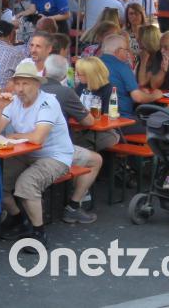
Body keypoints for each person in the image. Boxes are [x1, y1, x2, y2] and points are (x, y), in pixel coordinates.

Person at [0, 60, 74, 251]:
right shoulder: (13, 102)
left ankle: (39, 233)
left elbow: (37, 139)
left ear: (37, 84)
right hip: (25, 154)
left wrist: (17, 136)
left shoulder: (48, 102)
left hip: (54, 156)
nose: (20, 89)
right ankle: (18, 218)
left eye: (25, 83)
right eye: (17, 83)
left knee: (26, 184)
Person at [38, 55, 102, 224]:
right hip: (52, 149)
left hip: (30, 145)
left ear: (44, 71)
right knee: (96, 160)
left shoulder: (33, 87)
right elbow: (89, 121)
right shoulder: (65, 92)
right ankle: (74, 206)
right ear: (65, 75)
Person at [99, 35, 163, 133]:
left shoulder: (95, 63)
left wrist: (140, 91)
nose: (128, 53)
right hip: (120, 121)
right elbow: (138, 98)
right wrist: (154, 95)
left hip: (99, 118)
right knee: (162, 126)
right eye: (126, 50)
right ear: (118, 51)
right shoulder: (122, 67)